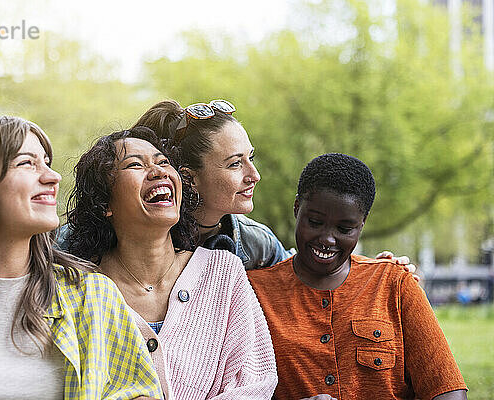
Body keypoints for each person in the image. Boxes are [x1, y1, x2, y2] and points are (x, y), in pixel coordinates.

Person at [0, 116, 162, 400]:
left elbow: (137, 391)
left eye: (47, 162)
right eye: (26, 163)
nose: (53, 177)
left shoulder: (93, 296)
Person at [63, 127, 278, 399]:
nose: (158, 171)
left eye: (163, 162)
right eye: (135, 165)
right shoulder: (77, 290)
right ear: (105, 202)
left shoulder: (224, 272)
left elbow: (254, 383)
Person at [247, 153, 467, 400]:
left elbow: (447, 391)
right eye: (315, 222)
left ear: (362, 223)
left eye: (344, 229)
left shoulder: (394, 283)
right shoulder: (253, 293)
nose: (327, 239)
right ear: (297, 208)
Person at [131, 99, 417, 273]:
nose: (254, 175)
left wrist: (373, 271)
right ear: (188, 177)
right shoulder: (143, 238)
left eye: (250, 158)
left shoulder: (255, 242)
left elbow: (300, 276)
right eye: (234, 164)